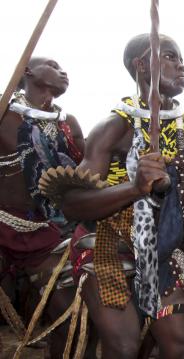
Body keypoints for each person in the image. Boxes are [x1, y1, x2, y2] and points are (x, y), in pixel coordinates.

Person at [48, 33, 184, 359]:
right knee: (123, 345)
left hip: (159, 257)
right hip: (107, 248)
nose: (181, 64)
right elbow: (73, 203)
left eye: (180, 58)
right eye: (169, 57)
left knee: (180, 344)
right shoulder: (115, 127)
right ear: (141, 66)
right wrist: (134, 187)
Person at [0, 57, 84, 358]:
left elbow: (86, 172)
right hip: (3, 226)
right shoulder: (5, 113)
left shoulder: (68, 124)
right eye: (52, 63)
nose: (63, 70)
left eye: (64, 66)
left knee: (68, 313)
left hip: (51, 233)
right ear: (26, 71)